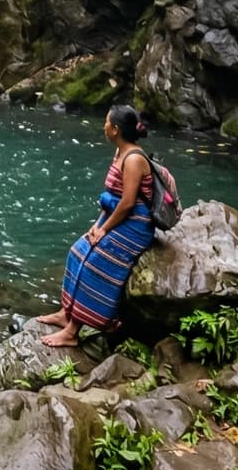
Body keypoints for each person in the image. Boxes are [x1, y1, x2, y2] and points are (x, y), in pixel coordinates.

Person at [37, 104, 154, 347]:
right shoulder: (120, 152)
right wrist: (96, 225)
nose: (103, 127)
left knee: (94, 264)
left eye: (106, 123)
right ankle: (66, 313)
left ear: (115, 130)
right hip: (117, 217)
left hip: (136, 224)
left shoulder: (133, 159)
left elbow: (128, 203)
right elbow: (111, 195)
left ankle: (72, 331)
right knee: (77, 252)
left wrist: (104, 230)